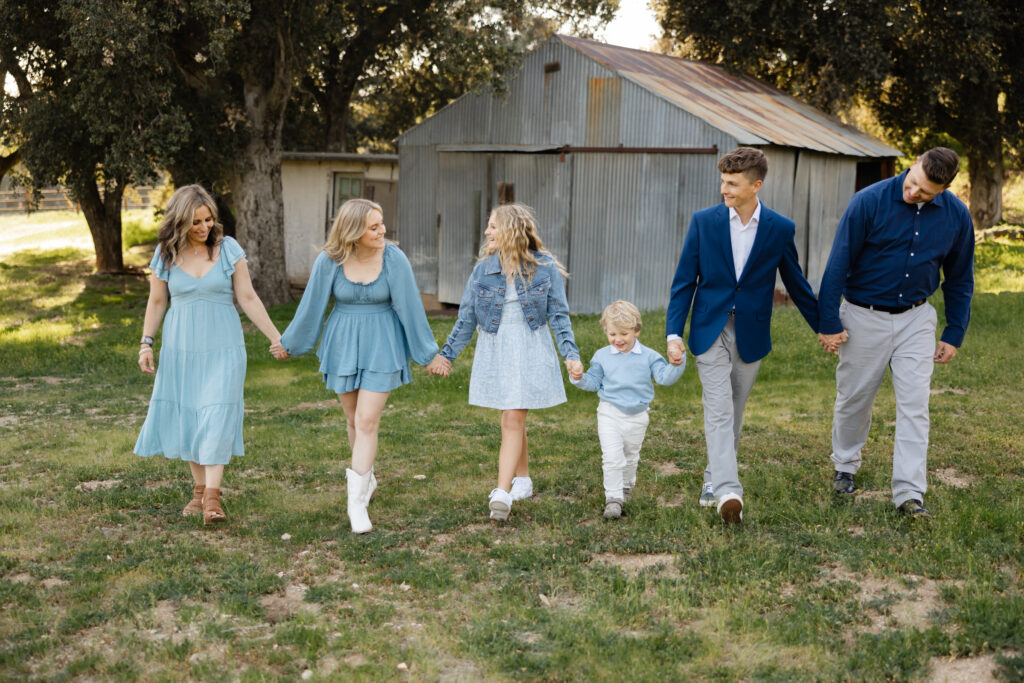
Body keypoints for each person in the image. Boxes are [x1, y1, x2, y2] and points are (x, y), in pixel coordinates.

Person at [817, 147, 974, 518]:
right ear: (915, 163)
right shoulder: (868, 202)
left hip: (916, 319)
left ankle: (909, 492)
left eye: (925, 192)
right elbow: (838, 263)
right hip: (862, 315)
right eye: (913, 183)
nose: (913, 193)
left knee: (915, 406)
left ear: (944, 190)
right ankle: (845, 466)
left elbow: (959, 277)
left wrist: (954, 331)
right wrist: (829, 322)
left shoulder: (956, 215)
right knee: (855, 398)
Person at [666, 147, 818, 523]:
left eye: (732, 183)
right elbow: (684, 281)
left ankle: (712, 478)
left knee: (734, 408)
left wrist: (826, 327)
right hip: (709, 327)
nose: (724, 189)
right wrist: (673, 333)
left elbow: (796, 284)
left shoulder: (780, 228)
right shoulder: (704, 222)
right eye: (723, 181)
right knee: (718, 407)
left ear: (756, 185)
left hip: (752, 331)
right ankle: (728, 490)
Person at [279, 198, 445, 534]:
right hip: (343, 343)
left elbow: (410, 306)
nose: (382, 231)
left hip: (383, 342)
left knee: (367, 420)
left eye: (382, 224)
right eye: (373, 227)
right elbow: (312, 304)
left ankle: (356, 504)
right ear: (353, 231)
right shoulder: (331, 259)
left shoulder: (394, 258)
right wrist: (290, 342)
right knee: (353, 418)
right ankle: (365, 478)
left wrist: (428, 353)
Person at [135, 184, 287, 525]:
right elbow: (157, 301)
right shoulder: (165, 255)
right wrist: (146, 343)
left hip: (224, 347)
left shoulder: (228, 249)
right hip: (181, 348)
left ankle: (213, 499)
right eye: (195, 222)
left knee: (216, 415)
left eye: (208, 220)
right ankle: (200, 490)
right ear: (180, 222)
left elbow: (248, 297)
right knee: (190, 415)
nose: (204, 227)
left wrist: (276, 337)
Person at [433, 203, 584, 521]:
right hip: (497, 348)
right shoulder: (483, 270)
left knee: (513, 418)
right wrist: (446, 355)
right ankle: (523, 479)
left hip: (529, 347)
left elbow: (558, 315)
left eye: (493, 226)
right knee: (511, 417)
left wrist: (570, 354)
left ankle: (502, 493)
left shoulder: (544, 267)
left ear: (511, 230)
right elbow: (467, 318)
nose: (487, 232)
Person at [570, 300, 686, 519]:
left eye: (624, 334)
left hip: (637, 416)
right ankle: (613, 498)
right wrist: (578, 377)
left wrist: (677, 363)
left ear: (636, 331)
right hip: (609, 412)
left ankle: (626, 487)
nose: (618, 339)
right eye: (612, 334)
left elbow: (664, 378)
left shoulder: (649, 356)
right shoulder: (602, 356)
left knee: (630, 456)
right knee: (612, 457)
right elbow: (593, 382)